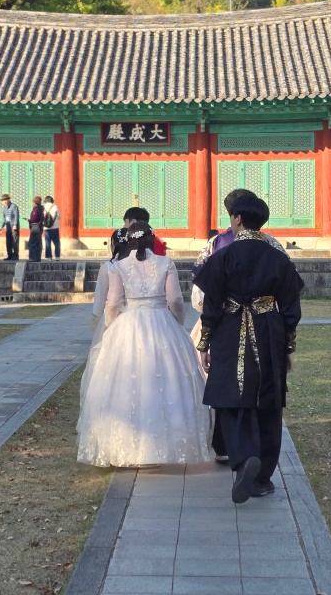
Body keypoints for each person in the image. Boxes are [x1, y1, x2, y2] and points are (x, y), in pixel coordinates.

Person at [193, 195, 304, 504]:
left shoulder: (223, 257)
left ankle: (243, 459)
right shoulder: (279, 258)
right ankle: (263, 478)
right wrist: (289, 347)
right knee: (268, 401)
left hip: (229, 331)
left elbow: (211, 307)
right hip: (270, 331)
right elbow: (292, 309)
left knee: (231, 397)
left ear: (238, 219)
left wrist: (204, 343)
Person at [77, 222, 212, 467]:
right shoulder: (165, 263)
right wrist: (176, 322)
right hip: (161, 320)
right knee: (165, 383)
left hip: (129, 322)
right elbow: (174, 299)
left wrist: (111, 326)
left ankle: (128, 447)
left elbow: (114, 301)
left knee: (127, 384)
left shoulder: (118, 266)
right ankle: (164, 447)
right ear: (152, 240)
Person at [79, 228, 130, 409]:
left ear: (114, 244)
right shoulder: (137, 265)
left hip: (113, 318)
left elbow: (101, 297)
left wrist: (98, 319)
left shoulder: (109, 267)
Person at [0, 194, 20, 261]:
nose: (5, 201)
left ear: (9, 199)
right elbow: (4, 218)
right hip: (8, 226)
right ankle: (10, 255)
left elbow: (16, 217)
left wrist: (15, 225)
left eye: (6, 200)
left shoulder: (14, 206)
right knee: (8, 241)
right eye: (3, 200)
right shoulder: (4, 208)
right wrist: (1, 226)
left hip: (13, 226)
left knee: (14, 241)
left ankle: (15, 255)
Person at [43, 195, 61, 260]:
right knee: (56, 242)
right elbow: (59, 216)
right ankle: (57, 256)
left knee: (47, 242)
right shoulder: (55, 206)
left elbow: (42, 217)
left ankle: (49, 257)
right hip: (55, 227)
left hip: (46, 228)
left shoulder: (43, 207)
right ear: (52, 200)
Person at [27, 196, 44, 261]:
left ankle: (32, 258)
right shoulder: (42, 208)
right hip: (40, 227)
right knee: (38, 243)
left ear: (35, 202)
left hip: (35, 228)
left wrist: (29, 220)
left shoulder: (36, 209)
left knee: (32, 243)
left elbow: (34, 219)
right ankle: (38, 258)